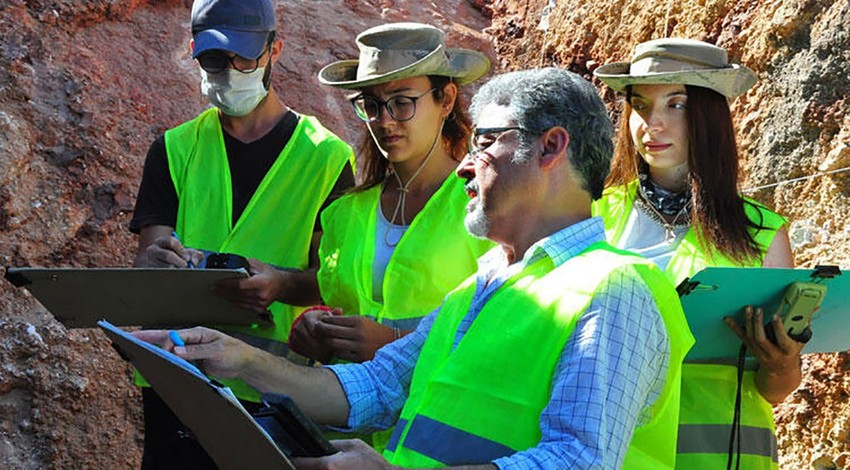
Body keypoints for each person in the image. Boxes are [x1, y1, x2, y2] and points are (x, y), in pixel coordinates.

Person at [136, 67, 695, 469]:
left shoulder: (615, 289)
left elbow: (577, 461)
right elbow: (376, 387)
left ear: (551, 147)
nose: (465, 168)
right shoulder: (486, 287)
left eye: (486, 142)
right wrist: (235, 359)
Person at [129, 0, 354, 467]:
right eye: (214, 59)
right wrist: (153, 263)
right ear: (193, 50)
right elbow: (148, 257)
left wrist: (280, 283)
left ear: (276, 49)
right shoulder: (174, 150)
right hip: (178, 378)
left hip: (274, 389)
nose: (230, 71)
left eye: (244, 58)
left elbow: (332, 278)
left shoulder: (327, 158)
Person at [592, 38, 803, 469]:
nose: (652, 123)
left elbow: (777, 388)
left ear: (711, 117)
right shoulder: (593, 214)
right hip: (616, 454)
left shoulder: (763, 233)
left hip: (727, 456)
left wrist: (782, 365)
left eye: (677, 105)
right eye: (640, 105)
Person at [283, 22, 493, 369]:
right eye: (371, 104)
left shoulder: (486, 205)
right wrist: (317, 330)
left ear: (447, 99)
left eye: (402, 102)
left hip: (429, 418)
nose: (384, 120)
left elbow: (500, 338)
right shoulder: (345, 213)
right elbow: (339, 308)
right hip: (342, 418)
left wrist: (395, 345)